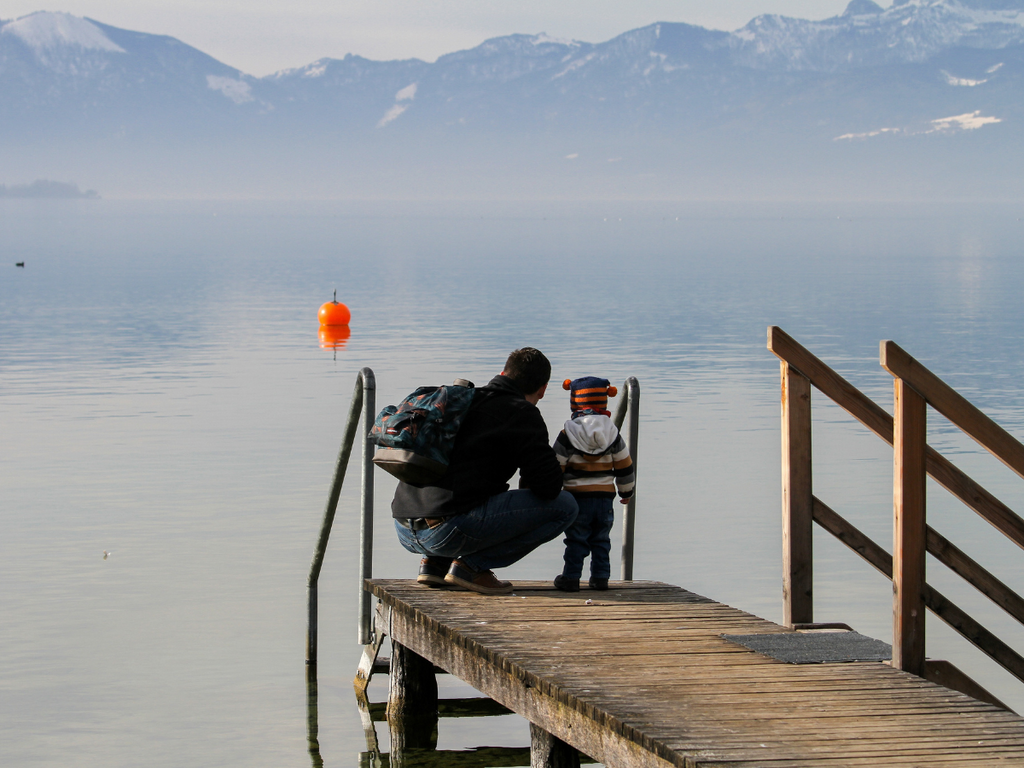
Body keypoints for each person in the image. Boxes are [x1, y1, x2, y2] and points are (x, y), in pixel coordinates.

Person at [392, 348, 579, 595]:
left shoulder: (463, 400)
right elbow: (549, 488)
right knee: (565, 506)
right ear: (542, 389)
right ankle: (471, 567)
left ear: (502, 373)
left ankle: (434, 565)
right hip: (447, 532)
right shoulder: (522, 413)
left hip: (403, 527)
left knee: (463, 493)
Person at [552, 376, 634, 592]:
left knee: (576, 540)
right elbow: (625, 466)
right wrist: (626, 491)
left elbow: (555, 467)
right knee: (601, 540)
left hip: (576, 499)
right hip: (605, 498)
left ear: (575, 401)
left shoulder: (567, 434)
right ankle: (600, 578)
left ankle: (571, 578)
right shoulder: (613, 434)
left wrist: (552, 491)